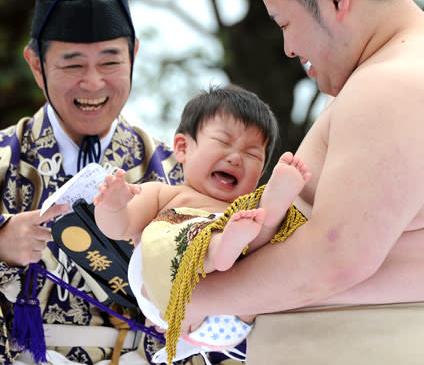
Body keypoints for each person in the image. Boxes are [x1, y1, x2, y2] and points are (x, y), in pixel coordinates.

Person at [173, 0, 424, 364]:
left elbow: (336, 256)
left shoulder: (390, 84)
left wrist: (190, 298)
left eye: (285, 23)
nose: (289, 47)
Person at [0, 0, 184, 364]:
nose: (93, 82)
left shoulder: (175, 172)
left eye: (110, 61)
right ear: (36, 64)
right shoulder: (4, 160)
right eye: (72, 65)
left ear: (134, 55)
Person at [93, 86, 310, 364]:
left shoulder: (245, 213)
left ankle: (271, 210)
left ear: (259, 176)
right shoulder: (165, 195)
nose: (235, 157)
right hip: (167, 297)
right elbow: (117, 228)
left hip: (234, 315)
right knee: (183, 235)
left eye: (252, 154)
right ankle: (220, 246)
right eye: (223, 141)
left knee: (262, 235)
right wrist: (113, 206)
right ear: (183, 148)